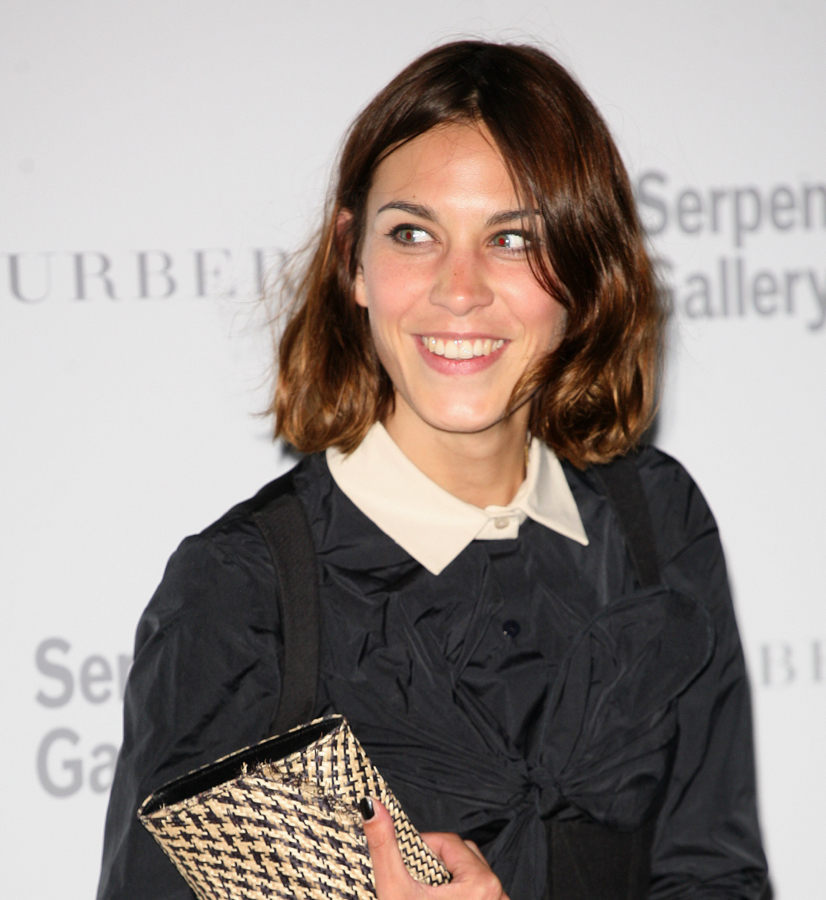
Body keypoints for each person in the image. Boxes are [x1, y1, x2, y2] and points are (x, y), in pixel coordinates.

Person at [97, 40, 769, 900]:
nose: (460, 289)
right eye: (413, 233)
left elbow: (717, 875)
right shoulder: (241, 595)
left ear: (586, 275)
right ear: (353, 260)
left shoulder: (655, 520)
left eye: (514, 239)